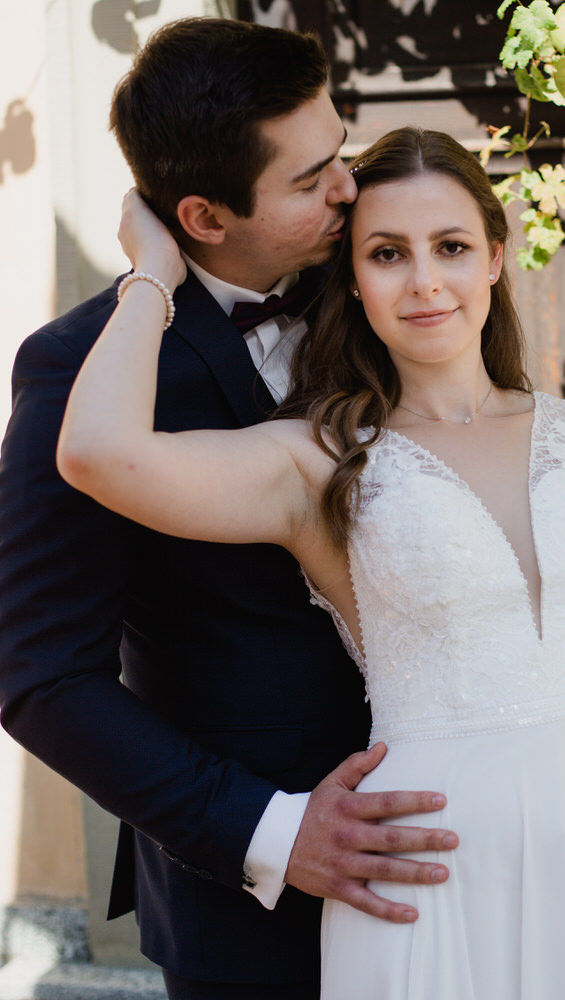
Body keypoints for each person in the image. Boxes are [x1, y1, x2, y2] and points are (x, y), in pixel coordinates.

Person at [57, 126, 565, 998]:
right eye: (387, 253)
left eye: (450, 247)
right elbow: (96, 454)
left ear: (495, 257)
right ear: (351, 276)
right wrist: (154, 270)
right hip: (431, 863)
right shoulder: (317, 460)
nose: (424, 280)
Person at [0, 20, 465, 1000]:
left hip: (482, 829)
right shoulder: (79, 374)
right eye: (310, 180)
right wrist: (271, 829)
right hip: (261, 909)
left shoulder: (398, 282)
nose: (348, 187)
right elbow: (38, 672)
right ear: (204, 217)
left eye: (337, 152)